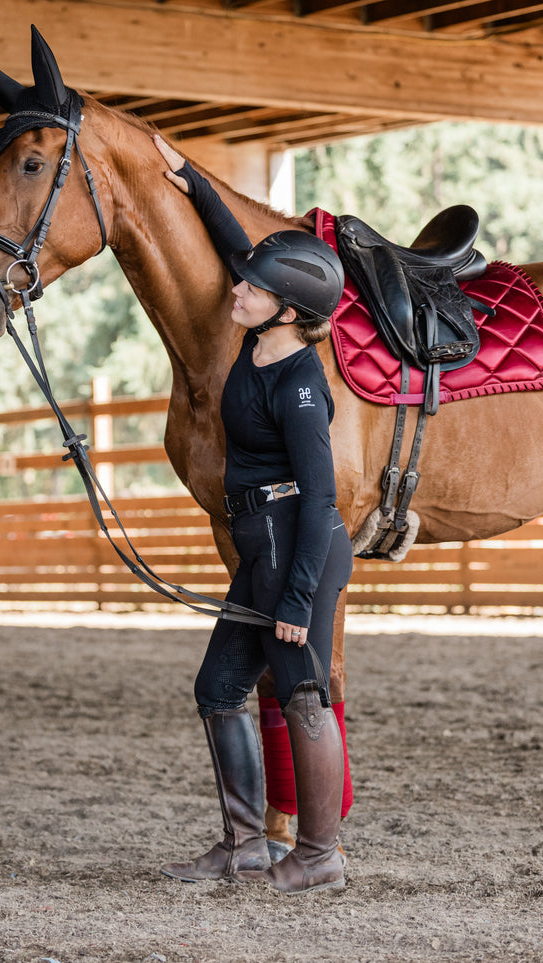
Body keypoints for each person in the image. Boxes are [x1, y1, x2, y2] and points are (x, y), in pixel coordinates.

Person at [152, 134, 354, 895]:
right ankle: (243, 845)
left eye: (250, 288)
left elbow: (323, 497)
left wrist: (298, 597)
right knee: (217, 687)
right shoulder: (256, 338)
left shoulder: (300, 383)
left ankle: (320, 854)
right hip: (259, 545)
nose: (235, 289)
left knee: (304, 691)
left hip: (298, 546)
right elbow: (238, 245)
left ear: (286, 309)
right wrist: (191, 181)